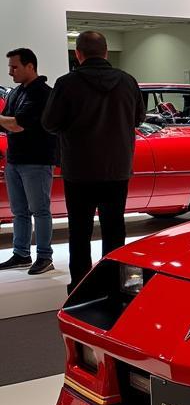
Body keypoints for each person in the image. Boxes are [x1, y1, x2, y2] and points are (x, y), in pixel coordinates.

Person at [42, 31, 146, 291]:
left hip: (79, 170)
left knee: (80, 231)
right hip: (117, 169)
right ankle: (115, 283)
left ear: (78, 53)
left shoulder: (66, 84)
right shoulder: (127, 81)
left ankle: (81, 284)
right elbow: (138, 119)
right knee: (114, 228)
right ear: (106, 52)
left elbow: (49, 122)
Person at [0, 48, 57, 274]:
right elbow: (8, 122)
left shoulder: (43, 93)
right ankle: (21, 253)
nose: (10, 71)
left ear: (30, 66)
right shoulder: (16, 92)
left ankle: (45, 256)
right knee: (19, 211)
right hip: (15, 160)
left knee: (40, 210)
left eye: (15, 66)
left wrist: (7, 121)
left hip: (36, 161)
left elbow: (16, 124)